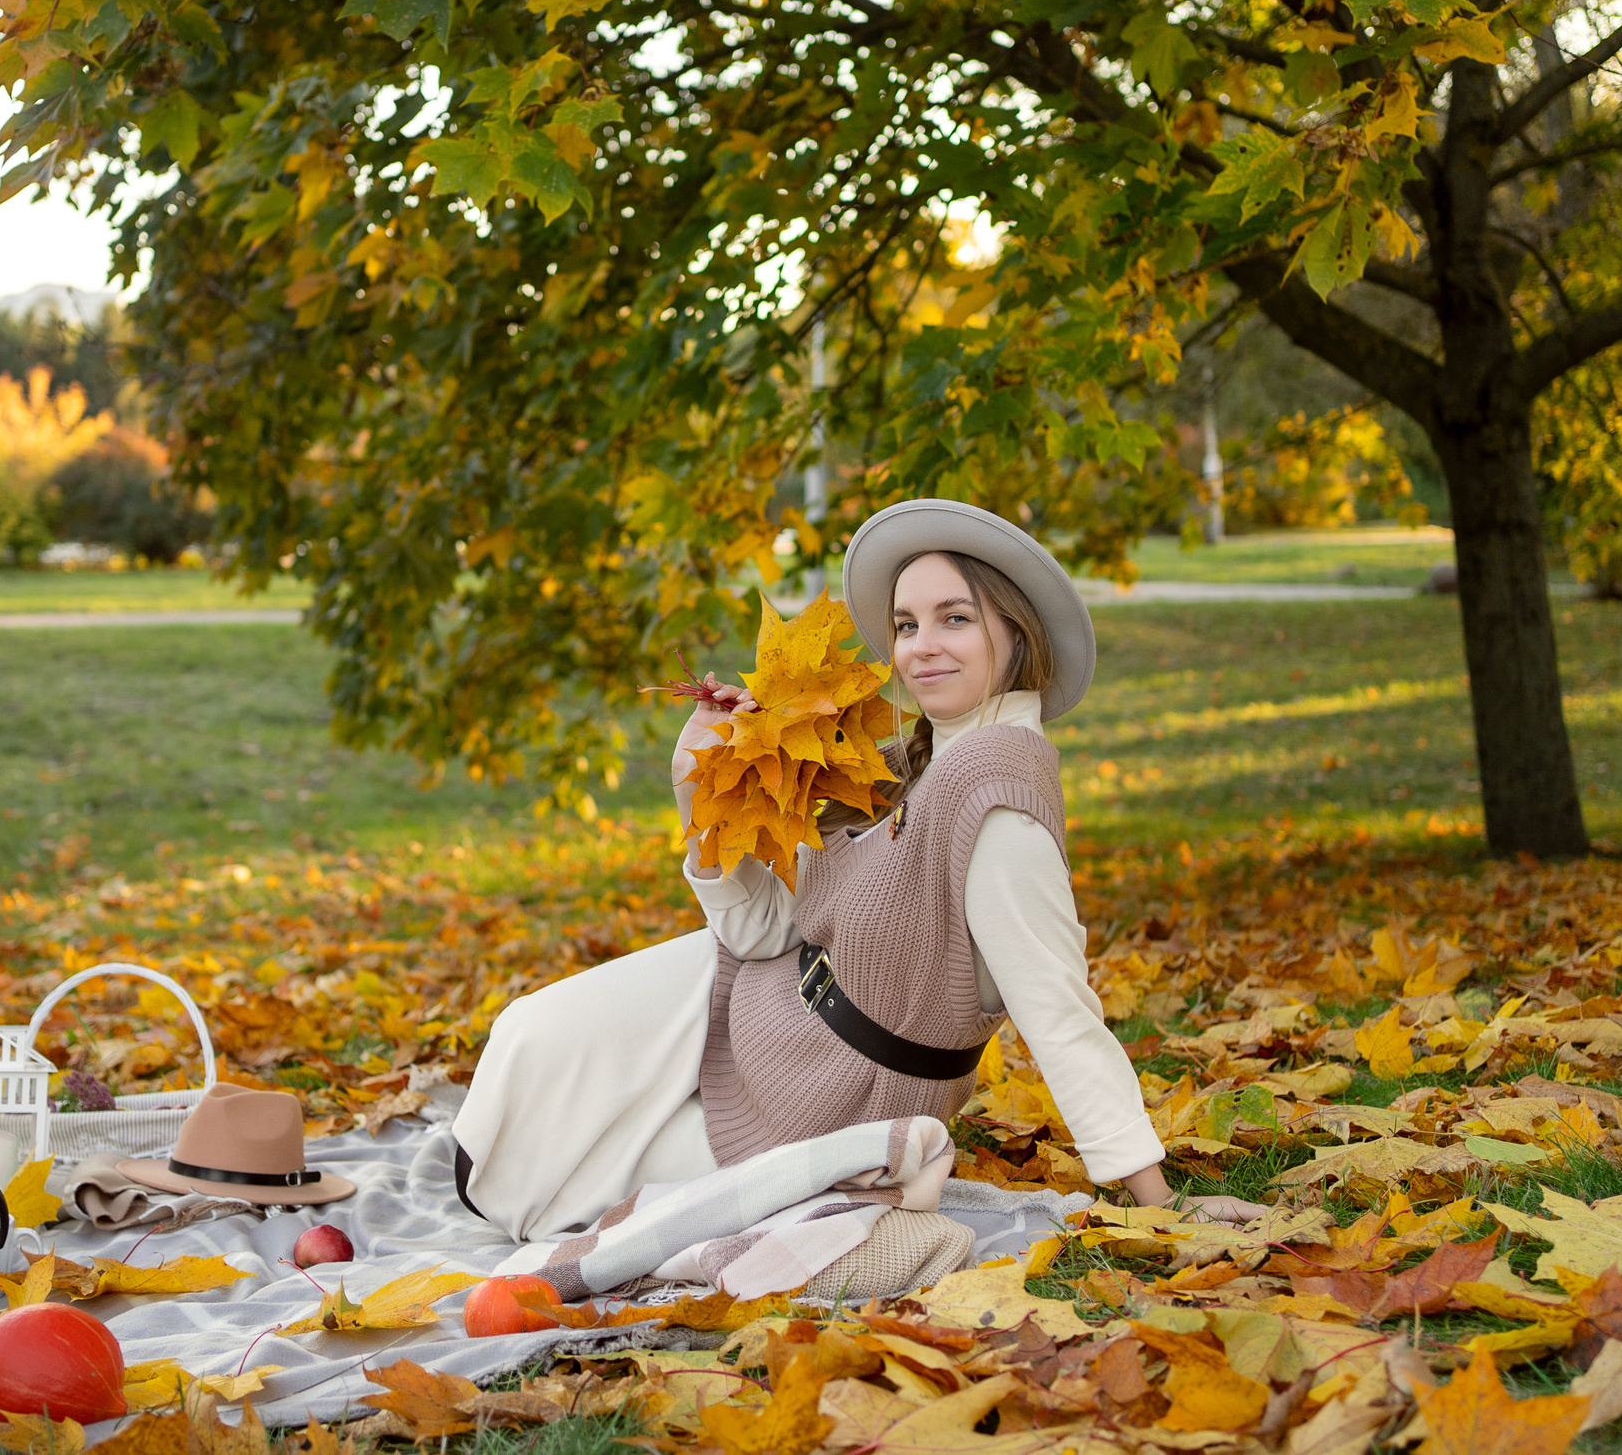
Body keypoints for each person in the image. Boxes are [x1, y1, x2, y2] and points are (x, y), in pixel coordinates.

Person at [450, 498, 1268, 1240]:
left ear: (1014, 633)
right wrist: (700, 788)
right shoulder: (901, 766)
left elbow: (1058, 1006)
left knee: (552, 1197)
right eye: (907, 625)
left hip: (831, 1095)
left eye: (955, 617)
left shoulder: (998, 797)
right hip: (752, 1000)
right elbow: (764, 925)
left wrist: (1157, 1201)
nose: (922, 646)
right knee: (526, 1044)